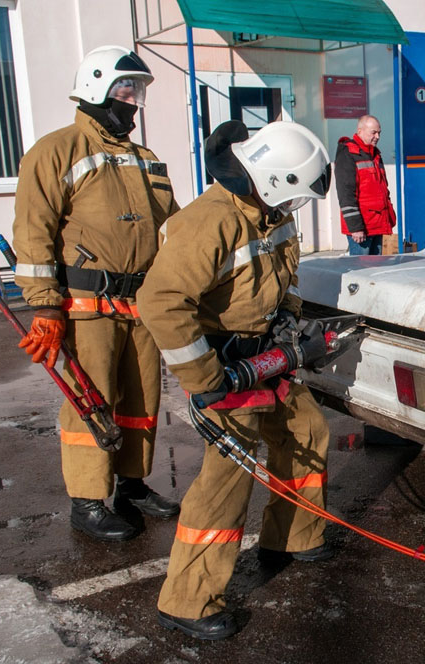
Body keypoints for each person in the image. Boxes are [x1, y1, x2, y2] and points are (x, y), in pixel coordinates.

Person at [137, 119, 334, 641]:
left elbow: (286, 278)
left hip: (269, 354)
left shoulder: (272, 216)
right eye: (294, 198)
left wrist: (290, 325)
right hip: (225, 366)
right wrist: (205, 380)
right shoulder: (210, 221)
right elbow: (159, 302)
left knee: (306, 432)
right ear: (271, 180)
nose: (296, 212)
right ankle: (188, 599)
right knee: (227, 479)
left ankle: (292, 536)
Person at [12, 45, 180, 543]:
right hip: (87, 308)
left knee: (143, 397)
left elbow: (170, 226)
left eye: (139, 90)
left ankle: (132, 484)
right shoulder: (56, 150)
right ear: (98, 86)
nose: (134, 100)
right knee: (92, 399)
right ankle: (87, 500)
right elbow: (33, 231)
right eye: (128, 88)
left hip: (142, 305)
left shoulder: (143, 159)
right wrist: (45, 305)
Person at [334, 114, 396, 255]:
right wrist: (355, 227)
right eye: (373, 132)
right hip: (362, 227)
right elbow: (346, 193)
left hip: (377, 224)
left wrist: (389, 217)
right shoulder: (348, 154)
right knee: (360, 271)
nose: (377, 137)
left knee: (375, 270)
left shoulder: (375, 155)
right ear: (360, 131)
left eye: (379, 133)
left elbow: (382, 190)